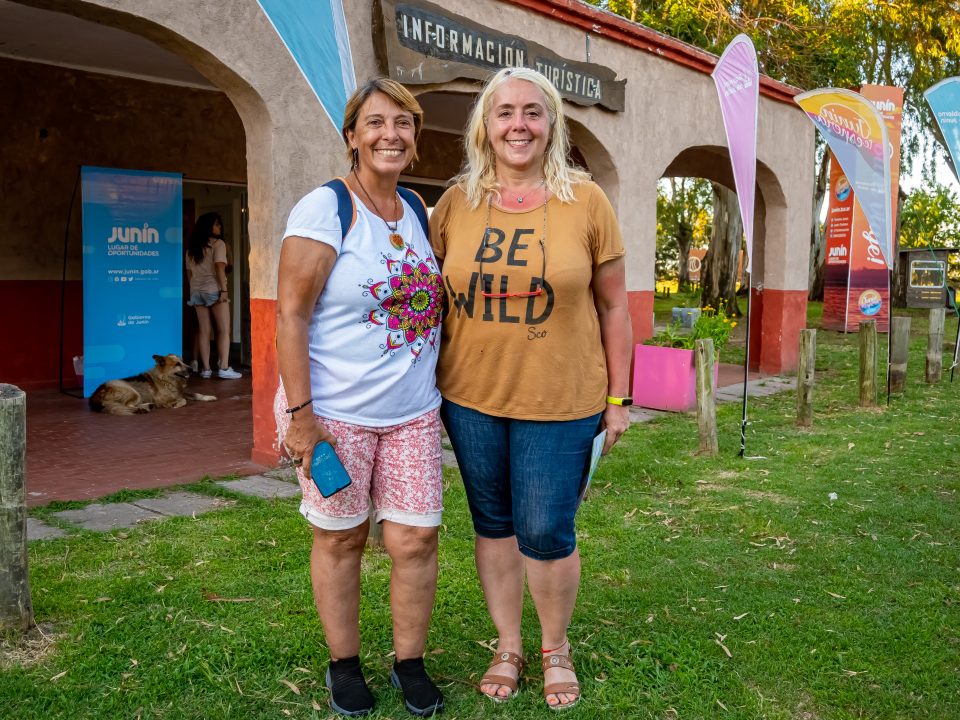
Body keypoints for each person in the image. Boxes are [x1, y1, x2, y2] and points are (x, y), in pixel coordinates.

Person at [429, 67, 633, 710]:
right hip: (470, 396)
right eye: (504, 112)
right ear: (484, 128)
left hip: (562, 399)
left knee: (546, 529)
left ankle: (555, 647)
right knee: (492, 525)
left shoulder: (586, 201)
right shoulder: (456, 203)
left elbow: (616, 307)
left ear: (552, 124)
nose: (519, 124)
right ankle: (509, 644)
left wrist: (619, 399)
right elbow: (427, 296)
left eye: (533, 112)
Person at [275, 78, 445, 718]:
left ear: (415, 138)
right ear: (351, 136)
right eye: (375, 123)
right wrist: (300, 419)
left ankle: (410, 663)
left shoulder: (418, 211)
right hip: (334, 416)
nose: (390, 135)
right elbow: (290, 316)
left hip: (412, 413)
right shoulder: (325, 208)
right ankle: (344, 664)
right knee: (342, 539)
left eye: (403, 123)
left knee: (415, 542)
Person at [185, 212, 242, 379]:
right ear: (207, 226)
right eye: (216, 224)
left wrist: (194, 289)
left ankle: (206, 369)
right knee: (224, 330)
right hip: (214, 290)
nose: (219, 227)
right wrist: (224, 290)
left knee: (204, 331)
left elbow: (189, 274)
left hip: (196, 292)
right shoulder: (218, 244)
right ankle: (224, 368)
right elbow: (219, 268)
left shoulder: (191, 249)